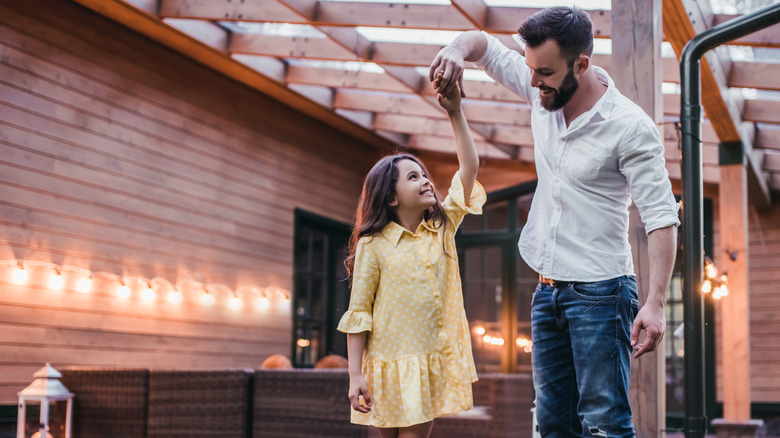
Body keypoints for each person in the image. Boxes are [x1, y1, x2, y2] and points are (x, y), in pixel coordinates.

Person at [429, 6, 679, 438]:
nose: (532, 81)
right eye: (530, 68)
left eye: (544, 72)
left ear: (580, 64)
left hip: (603, 293)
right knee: (551, 425)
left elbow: (660, 217)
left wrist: (655, 302)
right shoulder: (541, 92)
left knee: (604, 423)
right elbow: (485, 47)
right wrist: (455, 49)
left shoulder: (629, 127)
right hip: (547, 292)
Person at [337, 78, 485, 438]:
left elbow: (469, 167)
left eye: (424, 174)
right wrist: (355, 375)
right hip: (385, 364)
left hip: (426, 361)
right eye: (413, 176)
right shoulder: (375, 244)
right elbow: (359, 314)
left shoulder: (443, 229)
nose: (426, 181)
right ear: (390, 198)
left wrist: (455, 112)